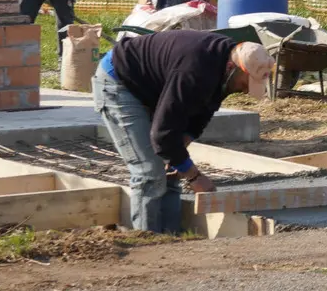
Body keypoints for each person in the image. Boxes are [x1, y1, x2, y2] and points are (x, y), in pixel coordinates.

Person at [93, 30, 273, 233]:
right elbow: (162, 136)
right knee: (149, 172)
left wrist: (179, 152)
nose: (245, 90)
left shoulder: (223, 65)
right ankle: (146, 243)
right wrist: (194, 176)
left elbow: (204, 111)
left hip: (153, 87)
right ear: (231, 67)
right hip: (119, 81)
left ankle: (171, 240)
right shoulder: (194, 71)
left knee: (171, 170)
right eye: (244, 83)